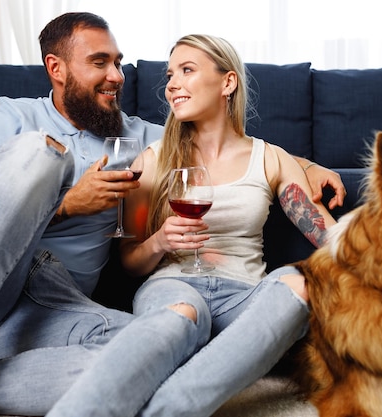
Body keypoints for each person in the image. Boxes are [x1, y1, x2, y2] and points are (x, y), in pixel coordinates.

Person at [0, 12, 344, 417]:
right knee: (41, 156)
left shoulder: (141, 139)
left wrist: (310, 166)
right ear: (56, 68)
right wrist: (66, 205)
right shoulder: (10, 115)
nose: (117, 76)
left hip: (56, 299)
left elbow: (229, 145)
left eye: (118, 63)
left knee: (149, 359)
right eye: (100, 63)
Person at [45, 34, 339, 417]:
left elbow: (332, 240)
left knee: (300, 284)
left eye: (187, 70)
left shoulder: (271, 159)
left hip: (246, 297)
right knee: (182, 315)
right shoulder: (152, 159)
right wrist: (160, 242)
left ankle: (165, 408)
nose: (171, 84)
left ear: (227, 83)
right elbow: (130, 260)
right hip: (174, 287)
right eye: (170, 74)